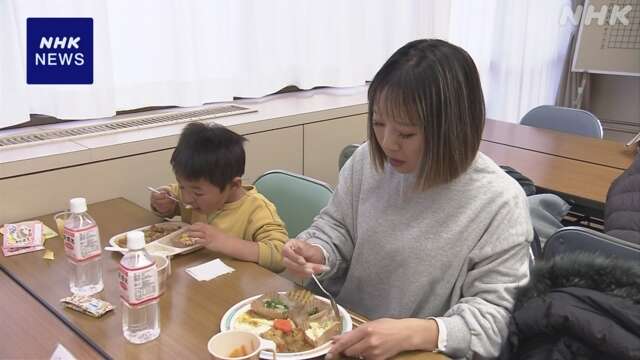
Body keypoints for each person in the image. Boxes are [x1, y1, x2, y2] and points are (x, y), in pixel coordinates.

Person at [282, 39, 533, 359]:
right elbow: (338, 226)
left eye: (406, 133)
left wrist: (416, 331)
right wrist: (318, 250)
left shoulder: (499, 202)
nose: (387, 143)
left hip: (417, 351)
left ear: (452, 128)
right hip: (343, 337)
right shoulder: (365, 161)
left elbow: (498, 320)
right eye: (378, 123)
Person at [151, 122, 288, 272]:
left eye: (197, 193)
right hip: (195, 276)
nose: (187, 198)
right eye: (182, 186)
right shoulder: (193, 194)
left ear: (234, 185)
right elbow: (172, 196)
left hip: (237, 285)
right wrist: (163, 202)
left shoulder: (256, 209)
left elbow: (280, 256)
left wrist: (223, 242)